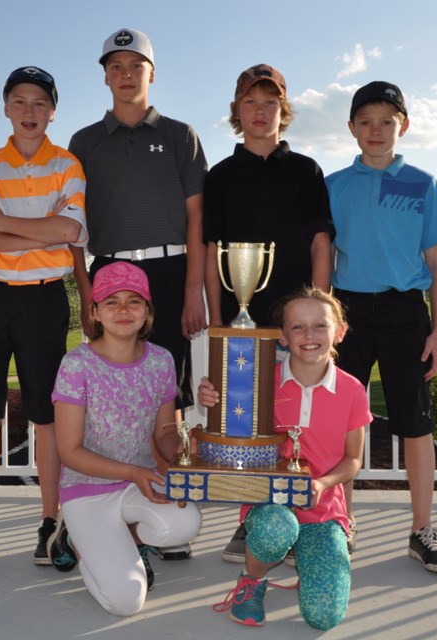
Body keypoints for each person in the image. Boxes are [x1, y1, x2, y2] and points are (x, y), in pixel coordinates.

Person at [68, 27, 208, 561]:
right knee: (110, 395)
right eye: (115, 66)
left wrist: (192, 290)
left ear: (152, 73)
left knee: (165, 400)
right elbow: (75, 230)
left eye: (136, 66)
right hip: (110, 275)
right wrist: (85, 291)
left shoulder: (179, 134)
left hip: (170, 273)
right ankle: (113, 505)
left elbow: (196, 218)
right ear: (105, 75)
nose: (126, 76)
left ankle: (165, 512)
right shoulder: (84, 142)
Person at [0, 66, 88, 570]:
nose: (30, 112)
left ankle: (50, 523)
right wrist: (37, 231)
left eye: (39, 103)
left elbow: (71, 231)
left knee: (46, 418)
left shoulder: (68, 164)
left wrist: (4, 220)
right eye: (19, 102)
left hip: (43, 299)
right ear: (6, 107)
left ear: (53, 110)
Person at [202, 63, 336, 564]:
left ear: (284, 110)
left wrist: (318, 313)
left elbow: (321, 242)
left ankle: (322, 520)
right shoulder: (220, 176)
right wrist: (218, 323)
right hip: (244, 324)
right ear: (237, 111)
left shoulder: (305, 171)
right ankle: (250, 523)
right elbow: (214, 250)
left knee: (306, 421)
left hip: (299, 323)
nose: (260, 112)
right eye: (250, 103)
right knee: (249, 426)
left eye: (270, 103)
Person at [327, 81, 437, 573]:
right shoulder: (334, 185)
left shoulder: (422, 183)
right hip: (348, 317)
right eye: (366, 121)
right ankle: (341, 524)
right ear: (352, 128)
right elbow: (326, 254)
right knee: (343, 422)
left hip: (406, 315)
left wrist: (436, 333)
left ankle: (421, 529)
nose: (376, 130)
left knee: (415, 424)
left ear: (403, 125)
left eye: (387, 121)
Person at [201, 287, 371, 629]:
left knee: (323, 617)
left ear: (339, 331)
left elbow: (353, 459)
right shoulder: (259, 382)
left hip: (322, 512)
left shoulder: (353, 390)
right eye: (298, 327)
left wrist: (323, 484)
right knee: (278, 528)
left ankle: (312, 561)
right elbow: (231, 426)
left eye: (320, 326)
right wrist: (214, 396)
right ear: (282, 337)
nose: (309, 335)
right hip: (270, 505)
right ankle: (252, 580)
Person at [48, 262, 202, 615]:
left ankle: (119, 541)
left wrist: (184, 449)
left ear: (147, 311)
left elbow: (164, 435)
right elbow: (69, 452)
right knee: (126, 602)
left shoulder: (161, 361)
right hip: (87, 489)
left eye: (134, 301)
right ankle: (75, 536)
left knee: (186, 524)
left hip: (137, 486)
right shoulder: (77, 364)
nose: (122, 310)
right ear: (95, 311)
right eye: (111, 301)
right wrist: (133, 472)